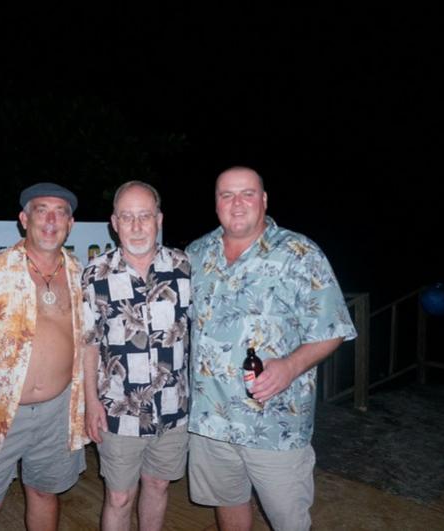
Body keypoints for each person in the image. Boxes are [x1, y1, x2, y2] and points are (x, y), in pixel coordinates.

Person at [186, 167, 357, 531]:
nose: (237, 203)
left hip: (275, 424)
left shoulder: (299, 252)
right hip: (210, 421)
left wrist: (290, 366)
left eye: (247, 193)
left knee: (289, 521)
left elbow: (334, 328)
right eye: (226, 195)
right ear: (215, 203)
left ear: (263, 200)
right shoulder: (196, 254)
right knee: (229, 503)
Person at [0, 182, 88, 531]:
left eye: (60, 213)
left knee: (44, 494)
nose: (51, 221)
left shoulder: (80, 274)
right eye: (42, 211)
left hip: (58, 412)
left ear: (70, 224)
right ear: (24, 219)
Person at [82, 181, 190, 531]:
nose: (137, 226)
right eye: (127, 217)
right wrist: (90, 402)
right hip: (118, 409)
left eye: (145, 216)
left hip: (173, 407)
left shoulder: (185, 268)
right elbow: (88, 344)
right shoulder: (95, 274)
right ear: (114, 223)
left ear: (159, 219)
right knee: (119, 497)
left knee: (158, 485)